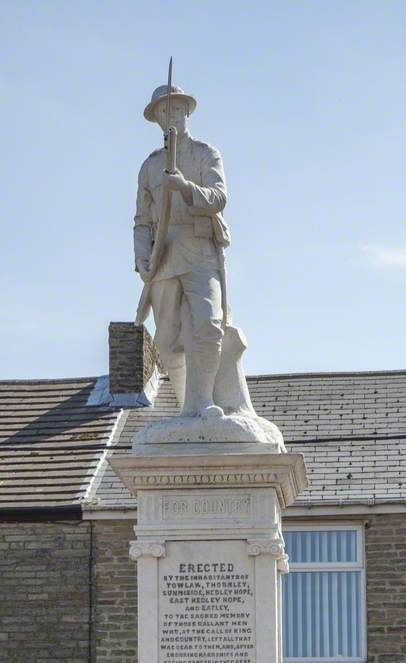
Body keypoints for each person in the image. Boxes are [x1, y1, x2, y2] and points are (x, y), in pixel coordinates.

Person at [134, 83, 230, 417]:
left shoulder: (205, 154)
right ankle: (184, 404)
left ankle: (203, 399)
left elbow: (219, 197)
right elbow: (142, 220)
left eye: (177, 109)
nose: (171, 116)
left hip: (199, 246)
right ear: (157, 118)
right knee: (166, 339)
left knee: (208, 322)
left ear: (187, 112)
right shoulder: (149, 166)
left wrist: (186, 188)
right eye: (164, 110)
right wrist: (141, 258)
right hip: (164, 253)